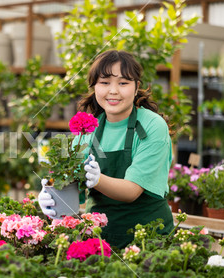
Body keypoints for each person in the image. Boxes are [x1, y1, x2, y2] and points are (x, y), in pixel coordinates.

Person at [38, 50, 174, 248]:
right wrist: (51, 195)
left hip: (149, 238)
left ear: (136, 88)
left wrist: (98, 180)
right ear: (94, 87)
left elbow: (132, 191)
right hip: (98, 240)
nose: (113, 91)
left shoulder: (152, 126)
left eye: (123, 83)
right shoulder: (89, 128)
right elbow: (71, 181)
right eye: (104, 82)